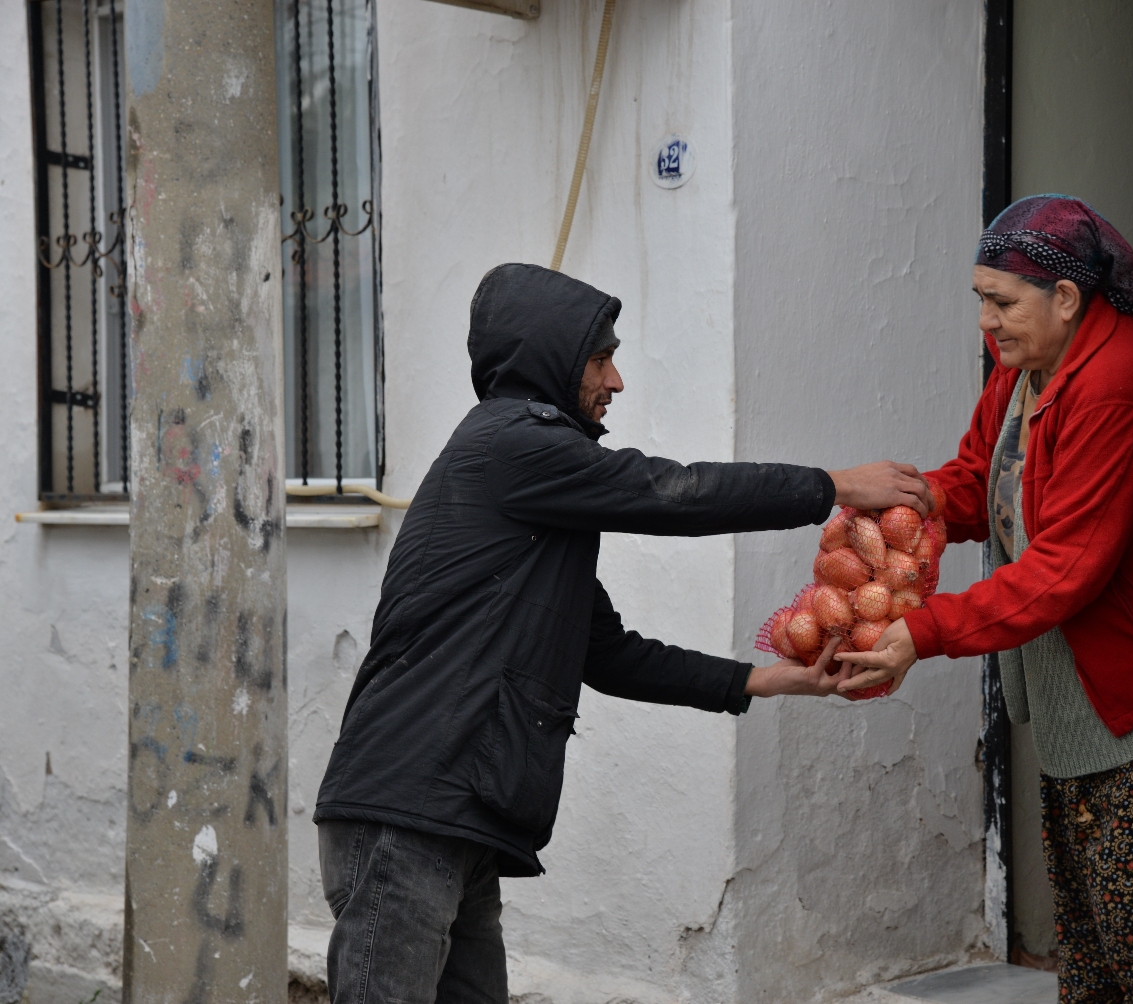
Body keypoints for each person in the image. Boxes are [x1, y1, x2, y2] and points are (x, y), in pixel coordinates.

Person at [313, 263, 932, 1004]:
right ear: (552, 358)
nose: (617, 380)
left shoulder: (537, 501)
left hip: (454, 812)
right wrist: (832, 487)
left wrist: (769, 679)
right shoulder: (513, 444)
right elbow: (669, 492)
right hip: (404, 812)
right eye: (601, 358)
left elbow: (604, 650)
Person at [838, 196, 1133, 1002]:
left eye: (1003, 303)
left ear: (1066, 298)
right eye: (980, 302)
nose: (987, 322)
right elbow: (975, 478)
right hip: (1068, 696)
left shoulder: (1118, 378)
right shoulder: (1026, 369)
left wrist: (925, 630)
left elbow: (1068, 565)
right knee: (1088, 941)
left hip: (1126, 700)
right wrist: (904, 506)